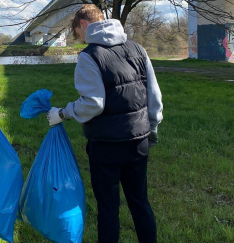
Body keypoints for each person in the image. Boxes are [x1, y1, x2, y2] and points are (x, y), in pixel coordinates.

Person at [46, 4, 163, 243]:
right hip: (139, 141)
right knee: (140, 202)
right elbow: (155, 96)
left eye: (78, 32)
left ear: (84, 25)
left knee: (108, 208)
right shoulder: (138, 49)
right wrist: (152, 129)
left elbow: (94, 104)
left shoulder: (89, 56)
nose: (79, 38)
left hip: (106, 146)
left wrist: (63, 113)